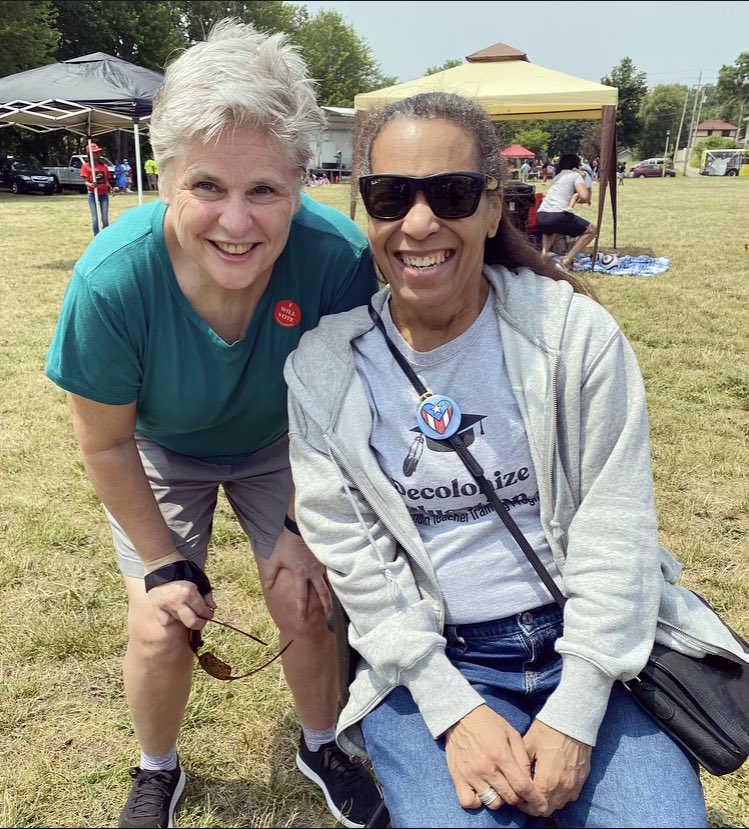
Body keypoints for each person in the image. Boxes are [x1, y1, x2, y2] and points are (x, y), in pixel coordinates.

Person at [284, 91, 749, 828]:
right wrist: (450, 706)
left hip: (587, 642)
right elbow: (356, 560)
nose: (418, 223)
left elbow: (615, 528)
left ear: (494, 208)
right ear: (364, 210)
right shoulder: (323, 370)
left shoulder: (573, 336)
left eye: (451, 193)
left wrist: (577, 707)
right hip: (435, 660)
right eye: (390, 196)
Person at [45, 19, 383, 829]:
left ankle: (322, 742)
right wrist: (164, 565)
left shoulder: (337, 260)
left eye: (263, 189)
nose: (236, 222)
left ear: (300, 182)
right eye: (207, 186)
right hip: (162, 447)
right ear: (164, 179)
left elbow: (347, 411)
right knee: (161, 622)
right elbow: (105, 440)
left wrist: (300, 528)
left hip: (288, 443)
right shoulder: (111, 280)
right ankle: (156, 766)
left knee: (306, 598)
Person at [535, 154, 597, 270]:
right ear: (576, 165)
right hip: (558, 215)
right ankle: (567, 260)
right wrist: (586, 181)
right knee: (592, 230)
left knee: (550, 231)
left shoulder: (558, 176)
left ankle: (542, 259)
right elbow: (585, 197)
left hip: (541, 215)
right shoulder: (575, 175)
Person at [80, 142, 111, 236]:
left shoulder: (104, 166)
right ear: (90, 154)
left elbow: (106, 181)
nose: (98, 154)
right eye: (95, 152)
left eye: (98, 152)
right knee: (95, 219)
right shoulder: (85, 166)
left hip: (104, 195)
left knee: (105, 219)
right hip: (92, 195)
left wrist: (110, 188)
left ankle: (106, 236)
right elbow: (85, 182)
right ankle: (96, 237)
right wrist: (91, 185)